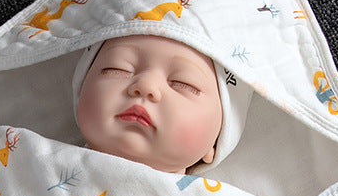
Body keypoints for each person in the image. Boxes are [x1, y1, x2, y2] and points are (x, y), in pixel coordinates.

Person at [72, 33, 252, 174]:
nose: (146, 85)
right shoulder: (53, 159)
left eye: (183, 84)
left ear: (216, 141)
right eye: (118, 69)